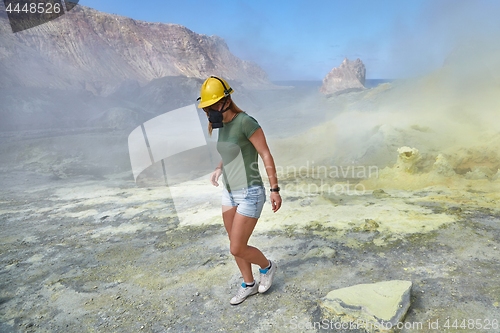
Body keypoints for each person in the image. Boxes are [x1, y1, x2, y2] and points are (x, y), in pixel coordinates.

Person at [197, 76, 282, 305]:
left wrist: (274, 189)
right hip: (229, 192)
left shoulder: (246, 122)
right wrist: (218, 168)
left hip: (250, 192)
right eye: (206, 107)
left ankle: (267, 266)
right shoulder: (220, 126)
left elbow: (265, 154)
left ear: (226, 100)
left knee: (237, 246)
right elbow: (230, 152)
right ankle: (249, 284)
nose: (209, 111)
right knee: (235, 245)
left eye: (212, 105)